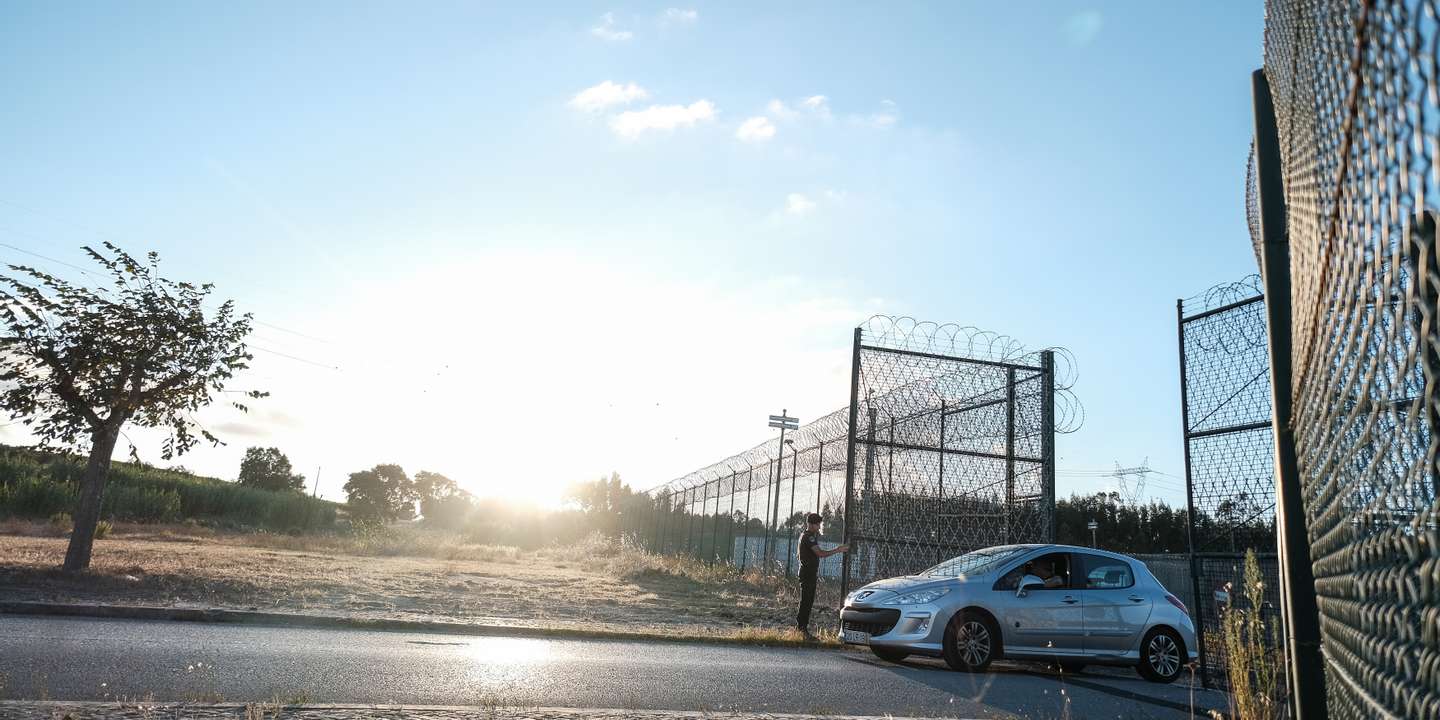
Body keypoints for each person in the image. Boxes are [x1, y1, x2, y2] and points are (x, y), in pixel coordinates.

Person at [797, 512, 848, 639]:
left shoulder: (806, 535)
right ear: (812, 524)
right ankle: (801, 629)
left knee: (807, 601)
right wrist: (837, 549)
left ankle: (802, 628)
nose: (819, 527)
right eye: (818, 524)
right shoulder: (809, 537)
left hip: (808, 572)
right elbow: (820, 553)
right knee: (806, 602)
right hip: (807, 573)